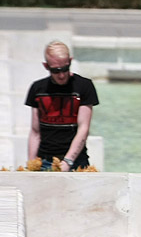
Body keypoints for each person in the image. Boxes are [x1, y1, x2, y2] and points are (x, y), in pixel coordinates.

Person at [25, 41, 99, 171]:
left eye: (65, 69)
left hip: (76, 161)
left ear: (70, 61)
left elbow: (84, 128)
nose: (61, 75)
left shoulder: (84, 86)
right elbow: (35, 132)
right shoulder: (37, 88)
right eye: (55, 70)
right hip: (45, 160)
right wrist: (31, 164)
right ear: (46, 66)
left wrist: (68, 161)